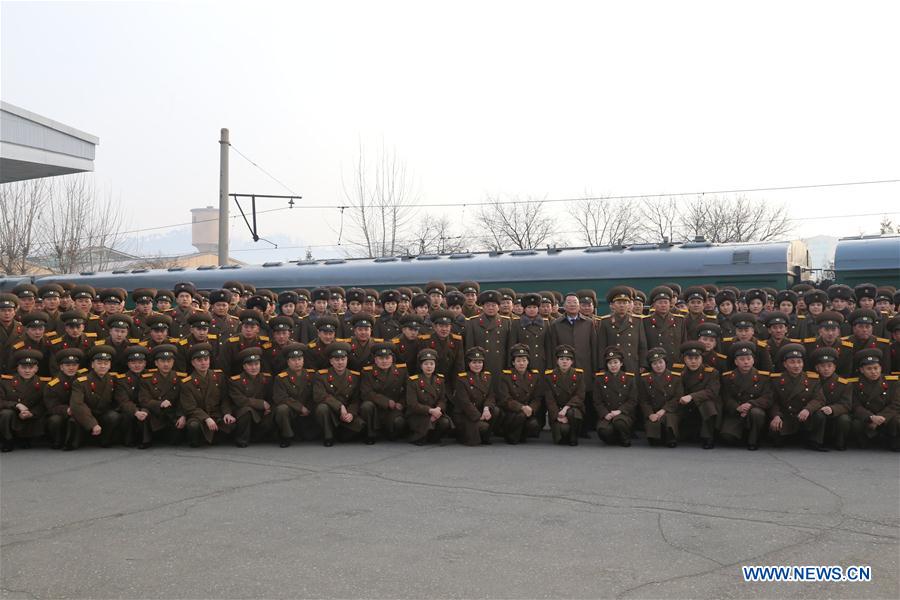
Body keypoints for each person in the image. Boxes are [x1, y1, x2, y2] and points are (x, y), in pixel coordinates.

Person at [767, 344, 828, 451]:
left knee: (820, 414)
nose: (796, 365)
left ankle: (815, 441)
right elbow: (773, 401)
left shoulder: (812, 379)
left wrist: (807, 409)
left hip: (804, 417)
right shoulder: (776, 380)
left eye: (799, 362)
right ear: (785, 364)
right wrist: (776, 415)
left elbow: (819, 399)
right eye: (792, 362)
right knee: (777, 441)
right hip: (786, 416)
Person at [65, 345, 122, 450]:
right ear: (92, 365)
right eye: (99, 363)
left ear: (110, 366)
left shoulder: (113, 379)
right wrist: (92, 424)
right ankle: (76, 441)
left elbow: (118, 399)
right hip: (87, 414)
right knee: (73, 419)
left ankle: (105, 440)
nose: (103, 366)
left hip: (103, 413)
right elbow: (77, 404)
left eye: (106, 363)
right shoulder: (80, 381)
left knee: (113, 416)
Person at [720, 342, 771, 451]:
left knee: (757, 413)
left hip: (753, 409)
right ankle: (742, 436)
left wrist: (751, 404)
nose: (746, 362)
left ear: (753, 360)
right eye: (742, 359)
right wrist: (736, 407)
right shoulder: (728, 377)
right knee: (727, 437)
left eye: (748, 358)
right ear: (736, 362)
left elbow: (767, 397)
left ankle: (754, 440)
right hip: (736, 411)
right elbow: (725, 397)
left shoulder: (763, 377)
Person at [313, 342, 364, 446]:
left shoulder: (354, 376)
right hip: (331, 412)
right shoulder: (321, 375)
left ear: (347, 360)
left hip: (346, 413)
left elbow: (356, 399)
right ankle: (328, 436)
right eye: (336, 360)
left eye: (343, 359)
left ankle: (340, 434)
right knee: (322, 408)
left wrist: (351, 413)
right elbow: (319, 395)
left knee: (361, 425)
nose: (340, 362)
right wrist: (339, 406)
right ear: (331, 361)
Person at [850, 349, 900, 451]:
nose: (873, 371)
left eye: (876, 368)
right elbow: (855, 405)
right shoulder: (854, 384)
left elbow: (896, 404)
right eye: (869, 369)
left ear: (881, 368)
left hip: (886, 416)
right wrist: (871, 417)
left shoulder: (892, 382)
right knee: (856, 423)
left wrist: (881, 418)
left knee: (896, 421)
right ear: (861, 370)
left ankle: (892, 439)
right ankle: (864, 440)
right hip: (868, 416)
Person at [137, 344, 186, 449]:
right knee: (144, 411)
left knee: (175, 441)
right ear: (156, 363)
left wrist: (183, 415)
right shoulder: (147, 378)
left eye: (169, 361)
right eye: (162, 361)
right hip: (156, 412)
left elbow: (184, 399)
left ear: (173, 362)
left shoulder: (180, 378)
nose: (166, 364)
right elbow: (143, 399)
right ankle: (146, 439)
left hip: (173, 414)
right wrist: (159, 404)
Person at [0, 349, 48, 452]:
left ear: (36, 369)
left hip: (32, 417)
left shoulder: (44, 384)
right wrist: (17, 405)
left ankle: (26, 438)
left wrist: (32, 413)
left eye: (31, 368)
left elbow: (44, 403)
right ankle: (7, 439)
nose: (27, 371)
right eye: (23, 367)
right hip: (14, 414)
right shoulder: (5, 382)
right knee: (5, 413)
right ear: (17, 368)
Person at [225, 347, 274, 448]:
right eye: (250, 365)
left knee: (276, 412)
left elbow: (272, 396)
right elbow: (239, 400)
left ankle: (259, 437)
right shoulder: (235, 381)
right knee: (246, 411)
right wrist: (261, 404)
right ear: (244, 366)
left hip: (263, 412)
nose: (254, 367)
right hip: (243, 411)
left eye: (256, 364)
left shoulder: (267, 378)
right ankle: (242, 439)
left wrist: (269, 407)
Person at [359, 342, 407, 442]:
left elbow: (408, 391)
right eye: (381, 358)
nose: (384, 361)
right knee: (366, 406)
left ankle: (391, 433)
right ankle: (370, 434)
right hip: (375, 407)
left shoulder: (401, 371)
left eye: (387, 358)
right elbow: (366, 392)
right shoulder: (367, 372)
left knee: (399, 422)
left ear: (392, 359)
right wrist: (386, 402)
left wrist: (401, 403)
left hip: (393, 408)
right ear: (375, 360)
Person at [676, 341, 720, 449]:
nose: (693, 362)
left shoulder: (711, 372)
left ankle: (708, 437)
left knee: (707, 405)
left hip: (702, 404)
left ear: (701, 358)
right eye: (690, 359)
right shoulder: (678, 371)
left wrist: (691, 396)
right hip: (685, 406)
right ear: (684, 359)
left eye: (697, 358)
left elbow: (712, 392)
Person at [271, 343, 316, 447]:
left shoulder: (312, 375)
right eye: (294, 360)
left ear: (303, 360)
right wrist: (300, 407)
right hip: (292, 409)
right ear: (288, 362)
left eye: (300, 359)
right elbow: (280, 397)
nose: (297, 362)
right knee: (282, 409)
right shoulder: (281, 377)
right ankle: (286, 436)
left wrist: (308, 407)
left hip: (309, 407)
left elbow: (316, 393)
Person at [405, 348, 452, 445]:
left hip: (435, 412)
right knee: (420, 439)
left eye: (431, 364)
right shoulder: (413, 381)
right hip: (419, 414)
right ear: (421, 366)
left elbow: (443, 399)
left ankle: (433, 437)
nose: (429, 367)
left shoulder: (440, 380)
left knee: (445, 422)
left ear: (435, 365)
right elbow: (412, 404)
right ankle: (419, 435)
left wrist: (438, 409)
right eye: (426, 364)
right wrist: (430, 411)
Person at [593, 346, 638, 447]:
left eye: (615, 362)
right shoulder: (599, 379)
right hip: (607, 414)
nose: (613, 366)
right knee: (603, 431)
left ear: (621, 363)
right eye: (610, 363)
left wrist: (619, 411)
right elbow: (597, 401)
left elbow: (633, 400)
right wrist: (605, 414)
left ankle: (625, 437)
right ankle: (616, 436)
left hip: (624, 414)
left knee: (619, 422)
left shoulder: (629, 378)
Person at [497, 344, 542, 444]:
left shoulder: (534, 376)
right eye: (518, 361)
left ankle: (520, 435)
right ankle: (510, 436)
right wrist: (521, 407)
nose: (521, 363)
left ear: (528, 362)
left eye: (524, 360)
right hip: (511, 412)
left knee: (533, 424)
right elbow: (505, 399)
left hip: (528, 411)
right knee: (520, 416)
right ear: (513, 362)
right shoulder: (505, 376)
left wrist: (531, 408)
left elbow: (537, 398)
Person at [809, 347, 852, 451]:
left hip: (834, 415)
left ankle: (840, 442)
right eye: (822, 366)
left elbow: (846, 404)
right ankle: (816, 442)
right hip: (816, 415)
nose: (826, 369)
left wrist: (832, 409)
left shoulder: (844, 383)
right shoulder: (811, 381)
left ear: (834, 367)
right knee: (819, 414)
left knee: (844, 419)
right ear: (816, 368)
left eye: (829, 366)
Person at [464, 290, 511, 383]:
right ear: (482, 307)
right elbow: (469, 346)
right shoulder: (473, 322)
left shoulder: (507, 322)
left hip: (500, 363)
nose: (490, 308)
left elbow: (509, 346)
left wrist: (509, 365)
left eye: (493, 305)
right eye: (487, 305)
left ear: (498, 307)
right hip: (479, 363)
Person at [453, 346, 497, 446]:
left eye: (480, 362)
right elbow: (465, 403)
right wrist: (478, 416)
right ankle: (462, 435)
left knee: (496, 411)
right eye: (474, 362)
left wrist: (486, 408)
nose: (477, 365)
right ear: (469, 364)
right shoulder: (462, 378)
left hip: (481, 410)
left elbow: (490, 396)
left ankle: (486, 437)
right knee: (483, 426)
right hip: (466, 414)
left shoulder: (487, 376)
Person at [639, 347, 682, 448]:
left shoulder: (675, 377)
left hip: (669, 411)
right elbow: (643, 400)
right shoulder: (645, 379)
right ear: (651, 365)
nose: (658, 366)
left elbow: (677, 397)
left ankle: (671, 436)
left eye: (660, 362)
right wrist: (650, 414)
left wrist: (663, 410)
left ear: (665, 362)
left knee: (669, 420)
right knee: (654, 441)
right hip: (653, 411)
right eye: (654, 363)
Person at [597, 286, 647, 374]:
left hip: (632, 364)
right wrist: (602, 366)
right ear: (612, 305)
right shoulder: (605, 322)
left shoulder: (637, 321)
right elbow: (601, 346)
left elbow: (642, 345)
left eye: (625, 302)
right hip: (613, 364)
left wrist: (643, 364)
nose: (622, 305)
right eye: (619, 303)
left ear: (629, 305)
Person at [542, 344, 585, 446]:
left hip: (573, 409)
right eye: (561, 359)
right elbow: (550, 400)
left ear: (572, 362)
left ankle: (574, 436)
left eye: (567, 359)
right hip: (557, 411)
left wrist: (566, 408)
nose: (564, 362)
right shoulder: (549, 376)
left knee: (572, 413)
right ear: (557, 361)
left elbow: (579, 396)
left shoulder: (579, 374)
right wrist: (558, 415)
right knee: (562, 434)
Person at [113, 345, 151, 447]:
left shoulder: (151, 377)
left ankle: (145, 441)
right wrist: (135, 411)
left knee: (147, 412)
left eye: (140, 362)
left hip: (146, 406)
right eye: (133, 363)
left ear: (145, 363)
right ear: (128, 364)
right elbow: (123, 401)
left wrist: (144, 410)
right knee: (128, 414)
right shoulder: (121, 380)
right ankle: (128, 439)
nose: (137, 365)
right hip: (130, 408)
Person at [643, 286, 686, 360]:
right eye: (660, 303)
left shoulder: (679, 320)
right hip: (655, 361)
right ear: (654, 305)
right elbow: (643, 346)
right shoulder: (645, 321)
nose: (663, 305)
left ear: (670, 304)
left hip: (675, 360)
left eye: (666, 302)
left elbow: (684, 342)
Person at [509, 292, 549, 372]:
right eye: (529, 307)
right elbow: (512, 345)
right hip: (522, 363)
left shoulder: (545, 323)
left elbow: (548, 346)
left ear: (538, 309)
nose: (532, 310)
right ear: (524, 309)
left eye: (534, 307)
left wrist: (550, 366)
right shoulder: (516, 323)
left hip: (540, 362)